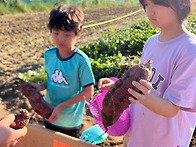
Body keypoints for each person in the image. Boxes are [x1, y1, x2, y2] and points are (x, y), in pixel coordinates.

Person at [98, 0, 196, 146]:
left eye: (157, 3)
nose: (150, 11)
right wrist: (119, 87)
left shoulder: (189, 50)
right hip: (136, 136)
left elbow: (172, 109)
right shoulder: (151, 43)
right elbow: (143, 85)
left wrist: (143, 96)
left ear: (181, 3)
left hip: (163, 141)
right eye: (146, 4)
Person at [29, 4, 95, 138]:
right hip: (48, 114)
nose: (60, 39)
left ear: (78, 34)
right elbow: (52, 78)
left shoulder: (81, 61)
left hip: (69, 121)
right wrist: (41, 86)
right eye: (56, 33)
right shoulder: (49, 55)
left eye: (67, 34)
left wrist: (61, 106)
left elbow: (88, 92)